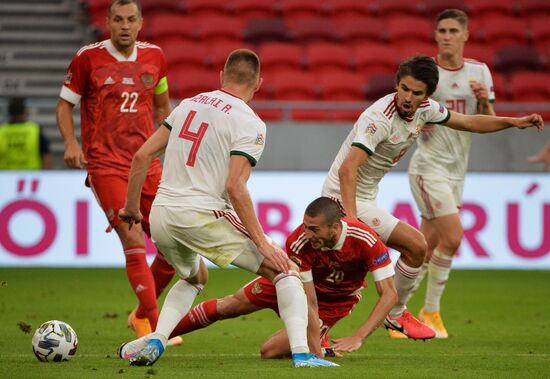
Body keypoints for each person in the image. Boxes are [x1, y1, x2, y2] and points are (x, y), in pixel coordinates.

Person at [117, 49, 338, 368]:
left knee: (194, 277)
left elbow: (141, 157)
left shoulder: (187, 105)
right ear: (259, 83)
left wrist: (131, 209)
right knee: (286, 270)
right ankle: (304, 355)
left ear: (222, 74)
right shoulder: (250, 123)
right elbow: (235, 185)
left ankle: (156, 338)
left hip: (163, 213)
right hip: (203, 213)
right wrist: (262, 242)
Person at [321, 55, 544, 341]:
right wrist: (353, 225)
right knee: (415, 245)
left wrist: (514, 121)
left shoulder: (426, 110)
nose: (407, 97)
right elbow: (347, 170)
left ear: (427, 96)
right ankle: (393, 313)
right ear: (396, 84)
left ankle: (385, 314)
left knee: (396, 256)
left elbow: (470, 122)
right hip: (342, 198)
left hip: (365, 198)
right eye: (404, 88)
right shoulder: (378, 119)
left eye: (416, 93)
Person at [133, 197, 397, 358]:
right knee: (229, 305)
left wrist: (358, 336)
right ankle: (158, 337)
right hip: (303, 290)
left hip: (334, 302)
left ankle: (321, 341)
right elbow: (307, 298)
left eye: (314, 229)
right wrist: (312, 348)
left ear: (335, 227)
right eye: (306, 226)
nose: (308, 234)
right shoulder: (300, 240)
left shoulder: (365, 240)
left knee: (269, 351)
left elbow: (389, 294)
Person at [55, 0, 178, 341]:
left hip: (147, 165)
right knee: (133, 236)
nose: (125, 25)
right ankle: (156, 329)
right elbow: (65, 105)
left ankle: (141, 315)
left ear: (141, 23)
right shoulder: (88, 58)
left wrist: (171, 151)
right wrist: (71, 142)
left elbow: (163, 107)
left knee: (174, 245)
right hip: (105, 164)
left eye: (131, 19)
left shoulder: (156, 57)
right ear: (108, 22)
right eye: (118, 19)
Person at [404, 9, 496, 339]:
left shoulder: (478, 72)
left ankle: (397, 313)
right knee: (453, 238)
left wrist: (484, 102)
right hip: (429, 167)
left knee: (423, 248)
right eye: (441, 30)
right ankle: (430, 313)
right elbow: (405, 111)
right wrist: (419, 117)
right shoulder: (427, 73)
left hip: (458, 171)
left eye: (453, 30)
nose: (446, 35)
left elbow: (488, 121)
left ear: (465, 35)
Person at [0, 97, 53, 170]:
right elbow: (47, 158)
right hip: (31, 177)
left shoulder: (1, 131)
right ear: (24, 112)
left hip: (5, 178)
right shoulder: (35, 130)